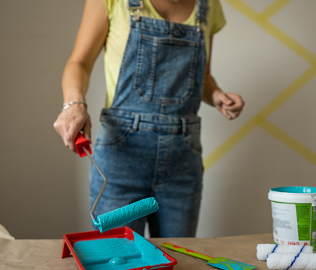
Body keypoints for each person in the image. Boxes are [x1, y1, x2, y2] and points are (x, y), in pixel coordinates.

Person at [53, 0, 244, 237]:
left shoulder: (209, 6)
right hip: (121, 156)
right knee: (118, 261)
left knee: (178, 261)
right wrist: (74, 104)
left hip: (183, 160)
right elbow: (79, 62)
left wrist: (216, 95)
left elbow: (202, 74)